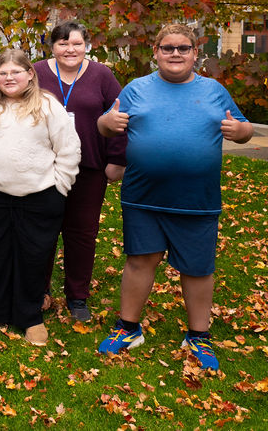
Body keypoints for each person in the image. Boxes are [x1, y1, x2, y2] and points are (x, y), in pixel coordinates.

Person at [96, 24, 253, 370]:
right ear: (156, 51)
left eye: (184, 48)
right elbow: (104, 126)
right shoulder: (137, 89)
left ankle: (198, 336)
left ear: (196, 53)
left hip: (197, 199)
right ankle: (129, 328)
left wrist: (240, 131)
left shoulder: (214, 90)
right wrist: (110, 121)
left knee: (198, 269)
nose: (176, 53)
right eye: (168, 48)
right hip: (143, 197)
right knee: (140, 260)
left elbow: (244, 129)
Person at [0, 49, 80, 347]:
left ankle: (31, 317)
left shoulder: (48, 106)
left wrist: (60, 185)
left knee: (34, 256)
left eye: (15, 72)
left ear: (30, 74)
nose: (8, 77)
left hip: (40, 195)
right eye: (2, 73)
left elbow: (68, 148)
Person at [34, 21, 126, 322]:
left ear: (87, 44)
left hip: (88, 169)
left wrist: (117, 159)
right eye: (62, 43)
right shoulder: (37, 73)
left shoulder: (101, 75)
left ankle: (77, 297)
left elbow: (120, 115)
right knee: (41, 230)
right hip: (42, 166)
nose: (69, 49)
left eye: (76, 43)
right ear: (52, 47)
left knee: (82, 234)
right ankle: (39, 291)